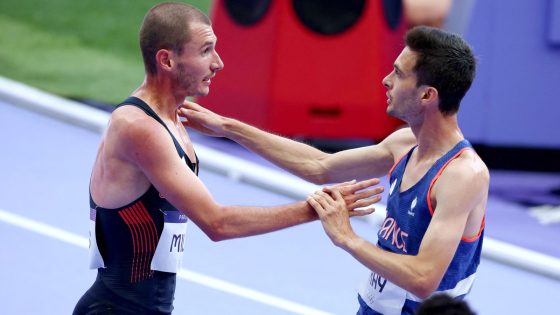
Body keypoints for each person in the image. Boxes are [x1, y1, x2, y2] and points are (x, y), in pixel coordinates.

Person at [72, 3, 382, 315]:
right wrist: (315, 209)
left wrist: (229, 128)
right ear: (166, 59)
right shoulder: (139, 127)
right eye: (206, 51)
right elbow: (217, 223)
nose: (218, 63)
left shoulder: (174, 119)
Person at [180, 26, 488, 315]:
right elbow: (319, 166)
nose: (386, 80)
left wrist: (346, 237)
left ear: (426, 95)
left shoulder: (462, 175)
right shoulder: (406, 143)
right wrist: (228, 128)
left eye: (398, 73)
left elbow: (424, 278)